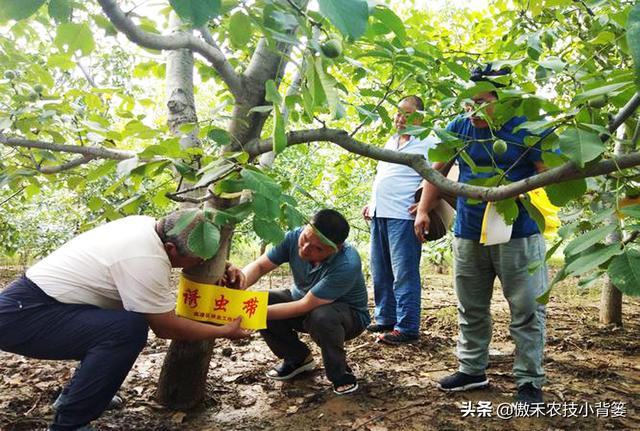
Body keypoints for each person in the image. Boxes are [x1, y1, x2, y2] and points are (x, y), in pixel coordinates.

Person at [0, 211, 250, 431]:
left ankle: (76, 397)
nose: (203, 263)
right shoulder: (146, 258)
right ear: (171, 249)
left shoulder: (147, 227)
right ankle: (70, 423)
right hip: (25, 315)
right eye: (199, 259)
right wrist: (223, 331)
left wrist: (222, 264)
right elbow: (165, 327)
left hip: (44, 304)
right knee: (125, 331)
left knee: (118, 327)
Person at [414, 64, 549, 404]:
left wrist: (520, 191)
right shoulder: (459, 128)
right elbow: (435, 171)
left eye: (480, 102)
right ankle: (472, 369)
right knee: (471, 306)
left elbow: (548, 175)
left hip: (518, 234)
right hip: (469, 232)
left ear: (503, 101)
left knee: (526, 309)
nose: (470, 110)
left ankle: (529, 380)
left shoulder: (527, 128)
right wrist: (422, 210)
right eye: (467, 102)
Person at [231, 209, 370, 395]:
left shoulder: (347, 263)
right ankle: (297, 358)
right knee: (262, 301)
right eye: (305, 239)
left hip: (346, 317)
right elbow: (260, 266)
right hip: (303, 304)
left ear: (336, 248)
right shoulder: (292, 237)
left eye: (317, 249)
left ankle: (339, 373)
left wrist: (249, 313)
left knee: (322, 316)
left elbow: (305, 306)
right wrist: (237, 288)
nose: (305, 249)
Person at [362, 95, 438, 345]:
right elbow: (386, 175)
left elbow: (439, 175)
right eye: (398, 113)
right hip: (380, 213)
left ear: (421, 118)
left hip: (404, 215)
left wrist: (427, 206)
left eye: (407, 114)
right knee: (380, 269)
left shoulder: (429, 141)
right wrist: (372, 203)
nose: (400, 118)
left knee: (404, 272)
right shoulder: (391, 141)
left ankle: (407, 327)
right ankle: (386, 317)